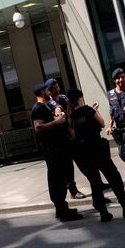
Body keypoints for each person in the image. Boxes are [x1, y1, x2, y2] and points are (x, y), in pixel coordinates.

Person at [67, 89, 125, 222]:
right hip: (97, 148)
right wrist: (95, 110)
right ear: (80, 98)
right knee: (114, 177)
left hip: (84, 152)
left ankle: (103, 213)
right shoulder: (88, 110)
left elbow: (73, 135)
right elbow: (102, 123)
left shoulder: (71, 116)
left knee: (95, 182)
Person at [31, 82, 82, 222]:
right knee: (56, 179)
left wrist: (58, 110)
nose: (50, 92)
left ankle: (62, 209)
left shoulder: (48, 104)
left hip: (59, 147)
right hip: (51, 149)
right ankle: (62, 210)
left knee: (61, 177)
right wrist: (56, 122)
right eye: (47, 90)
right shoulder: (38, 108)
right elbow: (38, 127)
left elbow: (57, 105)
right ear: (42, 93)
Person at [45, 78, 87, 200]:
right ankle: (73, 190)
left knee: (83, 160)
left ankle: (96, 182)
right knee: (67, 166)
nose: (56, 89)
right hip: (62, 139)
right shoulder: (49, 105)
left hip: (73, 135)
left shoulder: (64, 98)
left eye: (56, 86)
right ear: (48, 91)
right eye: (52, 88)